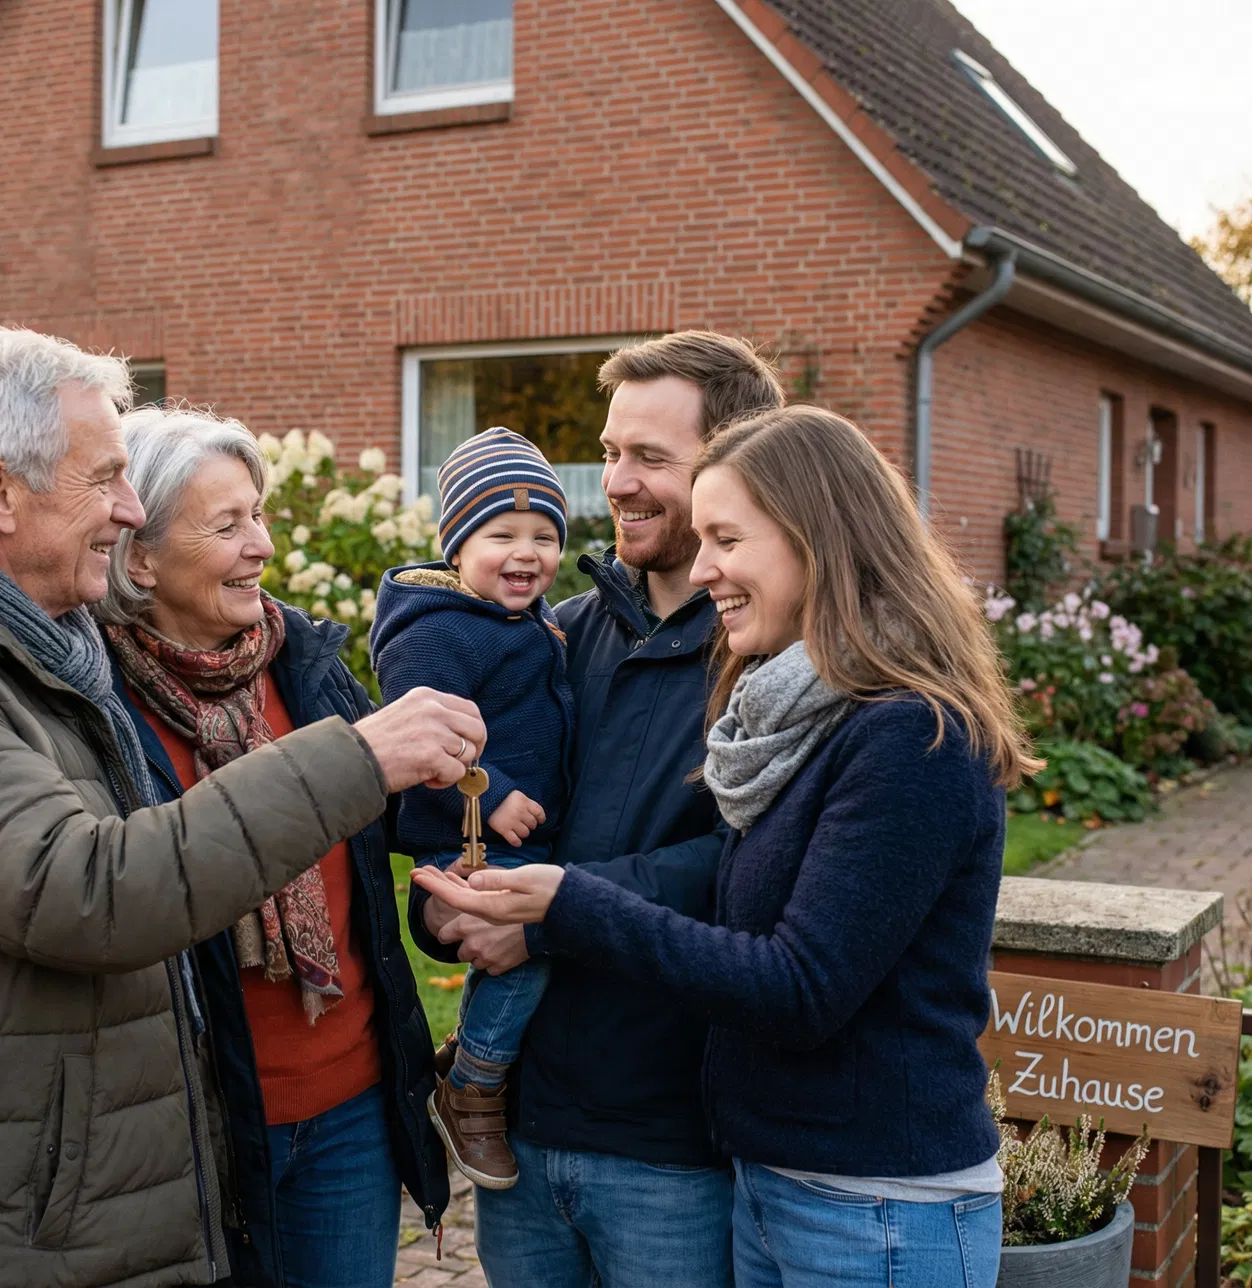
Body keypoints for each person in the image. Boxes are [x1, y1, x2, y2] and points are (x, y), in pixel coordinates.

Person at [0, 327, 485, 1288]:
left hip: (78, 1188)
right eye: (105, 477)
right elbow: (87, 890)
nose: (129, 507)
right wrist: (354, 756)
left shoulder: (41, 648)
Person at [415, 404, 1036, 1288]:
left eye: (727, 540)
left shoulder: (913, 736)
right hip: (779, 1182)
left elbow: (800, 986)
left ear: (818, 541)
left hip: (877, 1207)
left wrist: (566, 906)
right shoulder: (786, 722)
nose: (704, 570)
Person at [410, 331, 785, 1287]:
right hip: (523, 1134)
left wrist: (544, 920)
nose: (616, 482)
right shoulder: (548, 638)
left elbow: (747, 871)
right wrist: (451, 904)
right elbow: (456, 816)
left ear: (734, 466)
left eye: (651, 458)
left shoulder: (770, 662)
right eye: (612, 452)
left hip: (674, 1144)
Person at [96, 405, 447, 1288]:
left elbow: (397, 820)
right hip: (205, 1125)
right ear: (139, 556)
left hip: (352, 1108)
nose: (260, 544)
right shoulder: (96, 708)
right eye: (226, 524)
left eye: (258, 514)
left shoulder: (303, 662)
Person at [369, 427, 574, 1192]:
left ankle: (470, 1056)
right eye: (502, 535)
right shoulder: (435, 632)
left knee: (549, 939)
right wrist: (489, 793)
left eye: (544, 536)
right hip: (465, 840)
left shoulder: (530, 624)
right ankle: (473, 1085)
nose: (527, 553)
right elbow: (414, 732)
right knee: (526, 947)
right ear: (457, 545)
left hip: (522, 834)